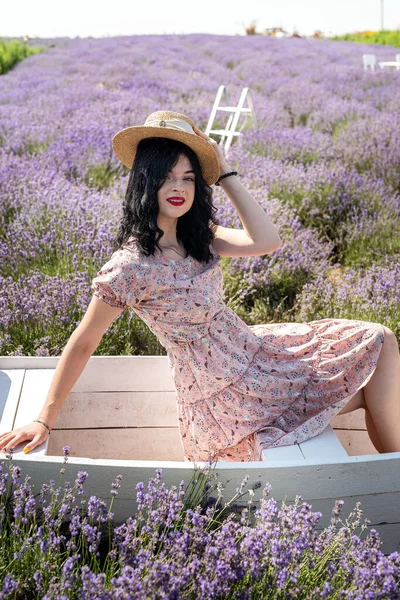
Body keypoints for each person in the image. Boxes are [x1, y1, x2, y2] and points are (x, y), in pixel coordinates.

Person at [1, 110, 399, 462]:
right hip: (224, 394)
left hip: (253, 355)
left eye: (189, 178)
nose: (179, 188)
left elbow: (267, 241)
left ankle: (392, 474)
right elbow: (84, 341)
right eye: (167, 177)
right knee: (372, 388)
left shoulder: (200, 235)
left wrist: (223, 172)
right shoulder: (129, 267)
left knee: (379, 342)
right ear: (145, 181)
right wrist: (43, 420)